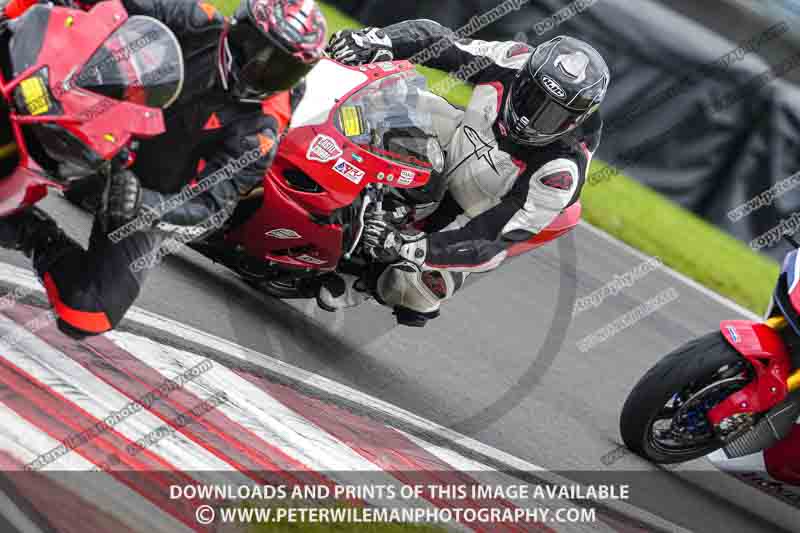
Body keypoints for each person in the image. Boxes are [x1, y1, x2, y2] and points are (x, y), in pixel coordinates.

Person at [0, 0, 326, 338]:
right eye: (255, 48)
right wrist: (14, 14)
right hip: (101, 116)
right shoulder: (199, 19)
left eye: (281, 69)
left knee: (88, 312)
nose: (259, 69)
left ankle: (32, 232)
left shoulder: (262, 130)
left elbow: (212, 208)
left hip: (144, 185)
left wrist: (144, 204)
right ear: (236, 28)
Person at [320, 21, 609, 327]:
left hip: (476, 209)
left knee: (412, 288)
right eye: (531, 96)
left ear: (574, 121)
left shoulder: (562, 171)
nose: (530, 118)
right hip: (460, 139)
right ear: (523, 76)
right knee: (382, 95)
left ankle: (362, 277)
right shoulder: (512, 59)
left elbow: (491, 240)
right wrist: (379, 39)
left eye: (551, 115)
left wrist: (404, 246)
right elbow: (440, 42)